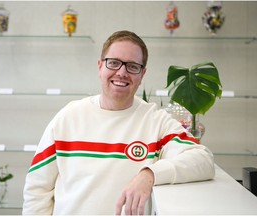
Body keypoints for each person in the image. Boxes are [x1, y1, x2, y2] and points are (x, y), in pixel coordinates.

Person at [22, 30, 215, 215]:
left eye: (132, 66)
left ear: (142, 74)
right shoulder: (68, 118)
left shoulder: (156, 121)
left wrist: (149, 174)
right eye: (113, 63)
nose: (122, 72)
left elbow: (202, 159)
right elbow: (37, 190)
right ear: (100, 66)